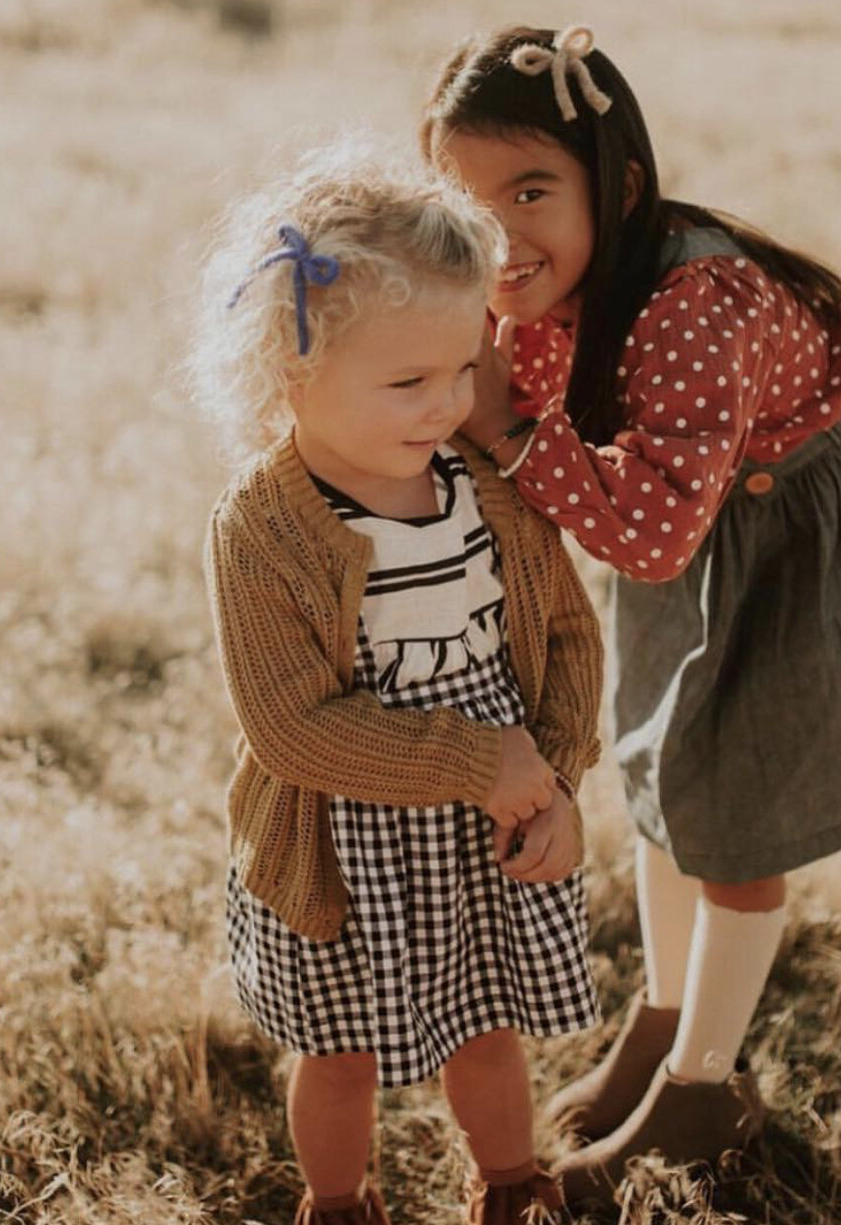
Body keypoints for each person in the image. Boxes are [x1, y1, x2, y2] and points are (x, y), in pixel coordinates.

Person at [421, 24, 841, 1206]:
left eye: (532, 190)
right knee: (663, 771)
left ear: (616, 186)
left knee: (735, 811)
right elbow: (515, 422)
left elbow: (645, 527)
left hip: (786, 528)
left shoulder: (691, 302)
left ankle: (703, 1092)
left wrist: (505, 432)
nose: (499, 233)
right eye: (464, 198)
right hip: (685, 505)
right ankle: (666, 1020)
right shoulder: (522, 280)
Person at [196, 148, 605, 1224]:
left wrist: (552, 779)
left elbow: (567, 635)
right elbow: (291, 726)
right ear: (290, 374)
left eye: (464, 369)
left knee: (486, 1026)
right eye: (409, 382)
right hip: (339, 845)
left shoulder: (489, 493)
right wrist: (486, 761)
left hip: (489, 832)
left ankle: (511, 1184)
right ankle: (339, 1200)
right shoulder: (265, 527)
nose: (449, 404)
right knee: (338, 1054)